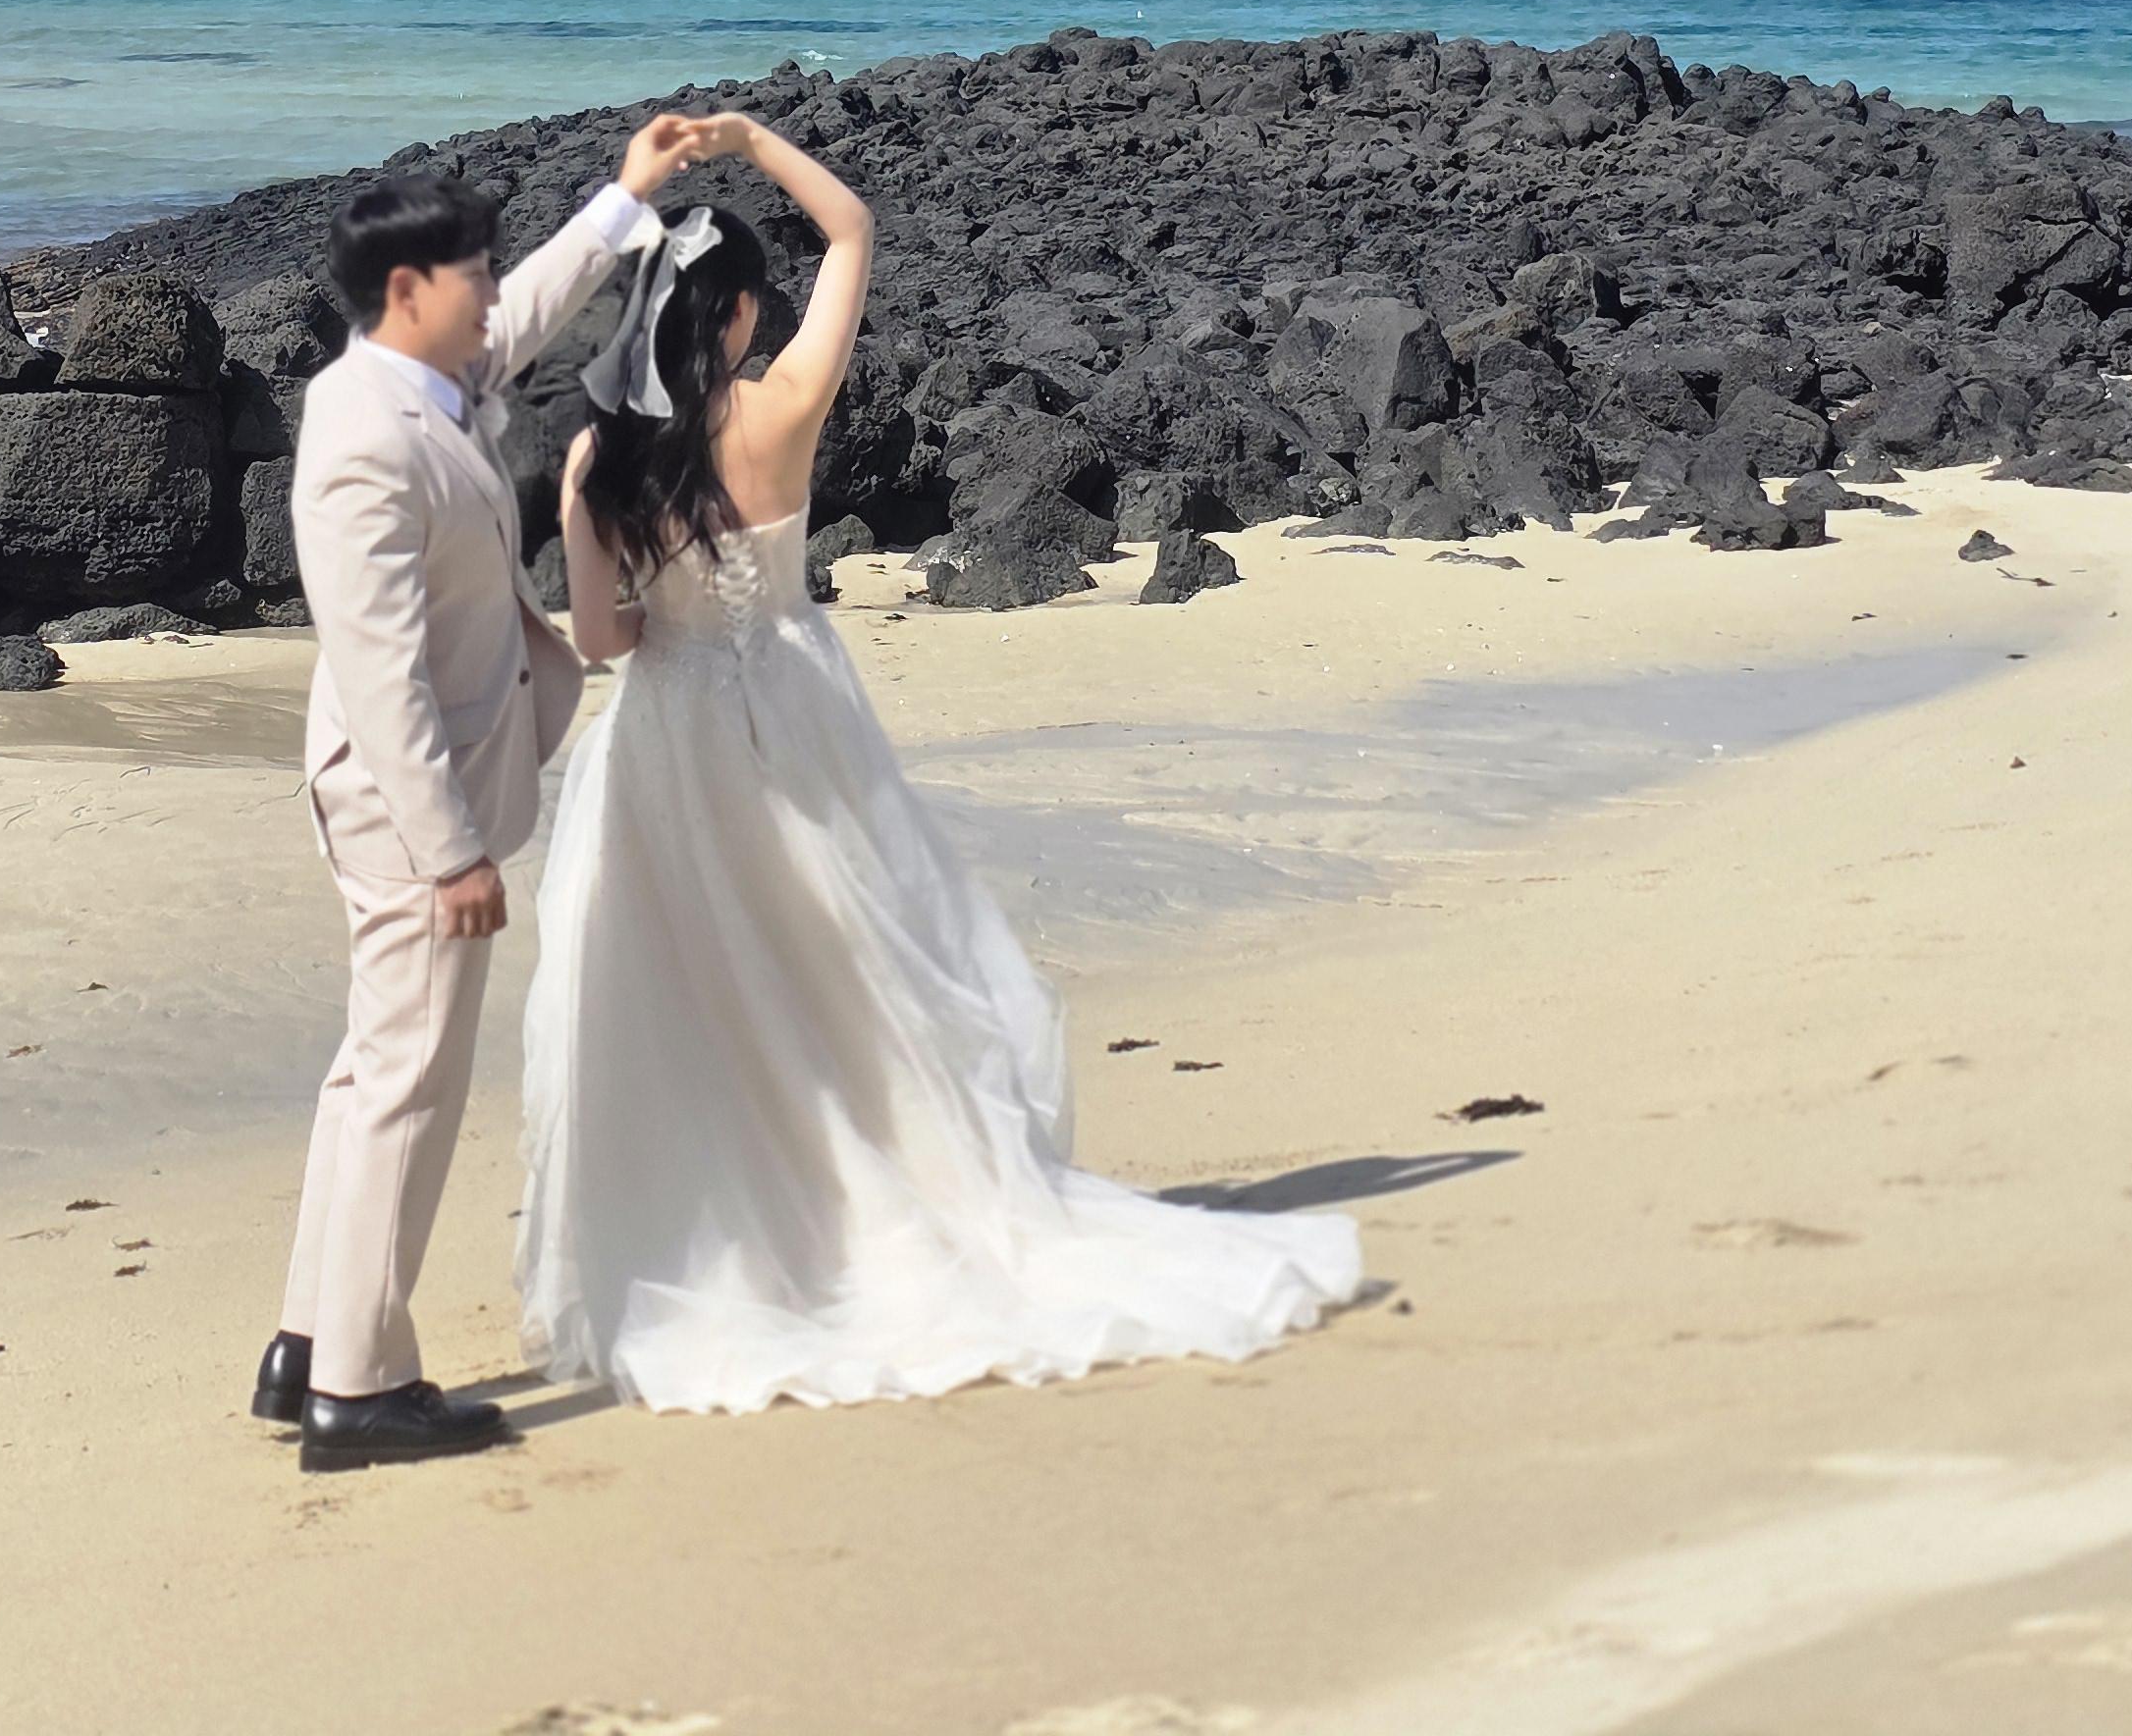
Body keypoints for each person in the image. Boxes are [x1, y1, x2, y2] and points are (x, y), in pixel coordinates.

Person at [518, 110, 1361, 1413]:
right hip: (793, 705)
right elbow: (854, 228)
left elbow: (601, 638)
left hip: (668, 730)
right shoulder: (785, 408)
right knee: (851, 966)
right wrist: (753, 140)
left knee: (691, 991)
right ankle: (885, 1195)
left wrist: (663, 611)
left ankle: (728, 1233)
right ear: (735, 315)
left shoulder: (598, 456)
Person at [253, 112, 706, 1470]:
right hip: (407, 809)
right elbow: (379, 674)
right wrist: (451, 853)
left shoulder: (430, 381)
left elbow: (533, 315)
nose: (493, 295)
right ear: (408, 291)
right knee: (409, 1090)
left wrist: (626, 197)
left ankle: (307, 1343)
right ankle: (361, 1389)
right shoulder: (362, 440)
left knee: (368, 1076)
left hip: (420, 794)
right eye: (475, 276)